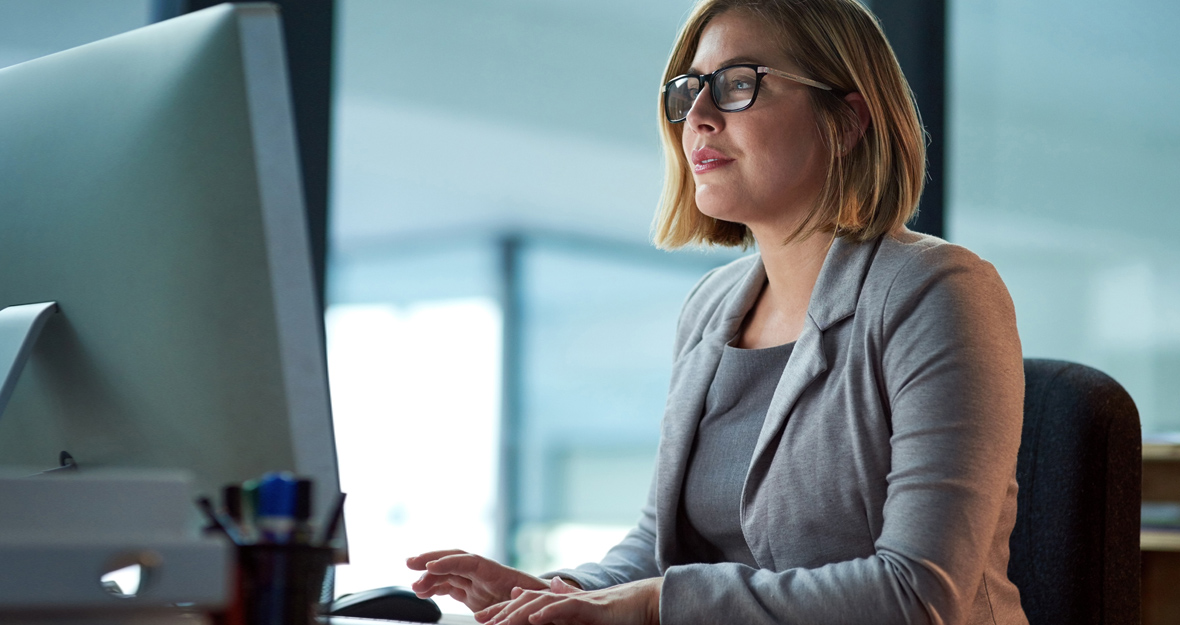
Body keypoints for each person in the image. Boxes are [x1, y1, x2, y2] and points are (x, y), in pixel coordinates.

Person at [407, 0, 1027, 623]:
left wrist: (653, 605)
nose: (696, 117)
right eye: (689, 90)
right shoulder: (710, 308)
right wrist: (559, 593)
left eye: (737, 85)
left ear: (845, 120)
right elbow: (657, 549)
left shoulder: (937, 291)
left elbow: (916, 595)